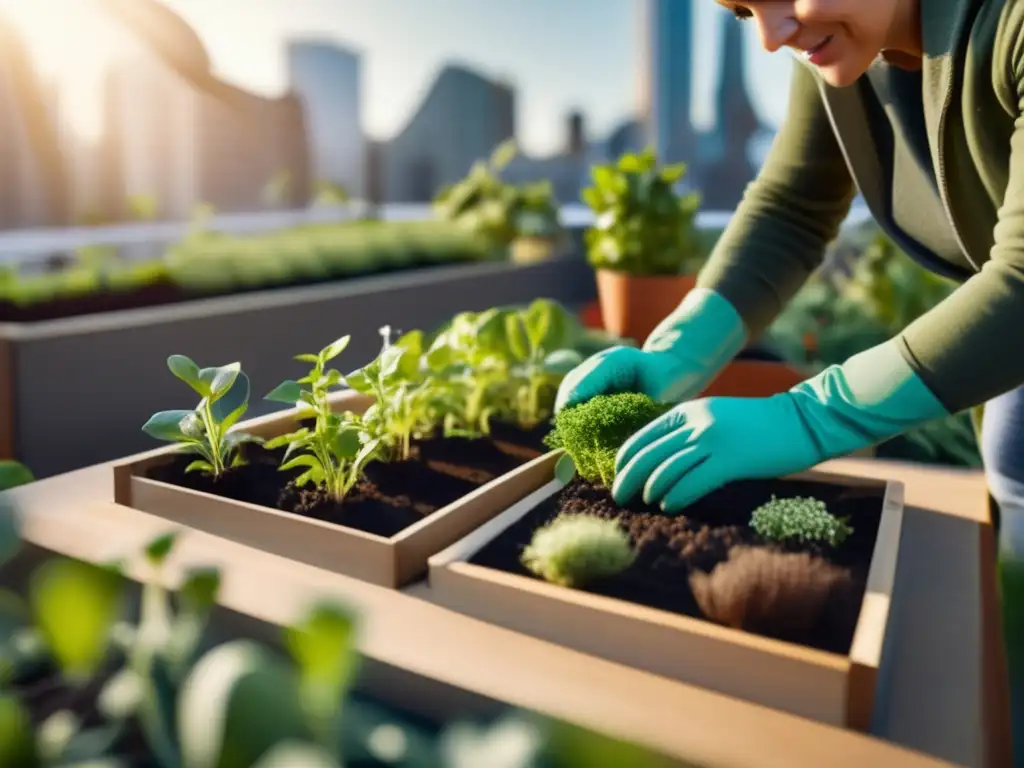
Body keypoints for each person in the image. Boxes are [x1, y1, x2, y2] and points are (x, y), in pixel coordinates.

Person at [555, 0, 1024, 558]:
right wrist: (679, 352)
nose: (770, 39)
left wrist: (809, 417)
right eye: (742, 12)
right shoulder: (845, 51)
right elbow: (793, 207)